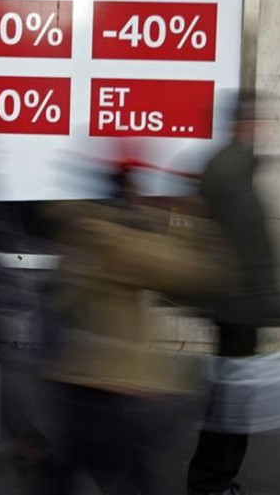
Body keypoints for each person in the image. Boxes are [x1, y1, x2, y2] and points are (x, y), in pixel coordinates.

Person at [34, 164, 232, 495]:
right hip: (106, 387)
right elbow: (194, 272)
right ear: (124, 196)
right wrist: (191, 219)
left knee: (64, 472)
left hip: (77, 378)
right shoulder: (112, 239)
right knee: (130, 480)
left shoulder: (85, 227)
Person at [186, 91, 280, 495]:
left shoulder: (226, 165)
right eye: (258, 121)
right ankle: (212, 482)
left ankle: (212, 478)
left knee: (229, 394)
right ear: (246, 123)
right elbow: (251, 247)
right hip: (239, 305)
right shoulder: (232, 171)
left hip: (230, 302)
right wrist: (271, 303)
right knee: (232, 399)